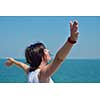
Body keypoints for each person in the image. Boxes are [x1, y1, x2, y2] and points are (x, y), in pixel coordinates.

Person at [5, 20, 79, 83]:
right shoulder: (42, 74)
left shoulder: (30, 72)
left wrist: (13, 61)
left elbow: (22, 65)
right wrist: (71, 41)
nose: (48, 50)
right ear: (42, 56)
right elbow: (58, 59)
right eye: (45, 50)